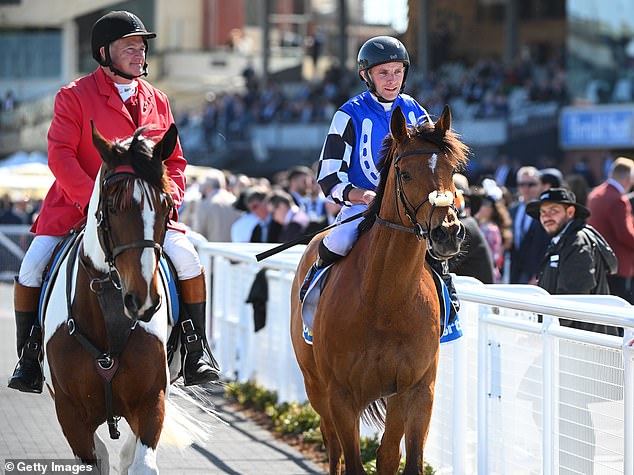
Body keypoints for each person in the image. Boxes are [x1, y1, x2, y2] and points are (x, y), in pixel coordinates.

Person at [8, 11, 219, 394]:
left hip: (144, 214)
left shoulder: (157, 100)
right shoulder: (73, 95)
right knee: (32, 266)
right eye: (130, 47)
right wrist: (94, 201)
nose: (140, 53)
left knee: (188, 258)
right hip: (76, 207)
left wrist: (169, 197)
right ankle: (29, 355)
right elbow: (61, 156)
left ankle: (195, 349)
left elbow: (174, 161)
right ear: (104, 53)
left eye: (142, 47)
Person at [300, 35, 460, 318]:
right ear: (366, 75)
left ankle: (448, 307)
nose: (392, 79)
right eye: (383, 72)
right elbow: (328, 176)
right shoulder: (348, 114)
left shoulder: (415, 111)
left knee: (435, 246)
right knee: (339, 239)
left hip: (410, 209)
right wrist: (360, 195)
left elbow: (435, 163)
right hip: (363, 207)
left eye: (398, 72)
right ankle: (313, 293)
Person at [526, 188, 618, 332]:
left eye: (553, 210)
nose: (546, 217)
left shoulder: (577, 242)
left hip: (582, 342)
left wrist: (547, 331)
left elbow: (573, 299)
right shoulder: (563, 240)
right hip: (569, 338)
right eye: (543, 212)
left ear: (570, 212)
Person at [586, 157, 634, 304]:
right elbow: (625, 235)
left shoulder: (595, 194)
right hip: (619, 265)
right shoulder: (618, 199)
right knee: (622, 313)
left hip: (599, 263)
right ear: (628, 178)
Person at [509, 166, 550, 284]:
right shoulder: (513, 209)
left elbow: (546, 245)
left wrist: (539, 273)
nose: (526, 188)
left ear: (540, 185)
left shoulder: (546, 211)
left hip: (535, 272)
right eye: (522, 184)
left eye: (531, 184)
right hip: (515, 271)